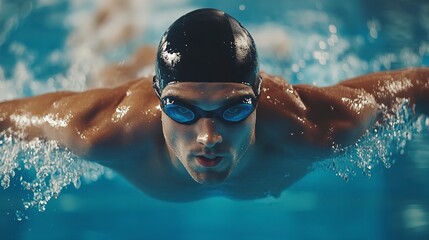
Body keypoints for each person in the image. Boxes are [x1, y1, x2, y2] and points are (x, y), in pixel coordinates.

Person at [0, 8, 428, 202]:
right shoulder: (98, 129)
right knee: (102, 70)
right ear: (158, 97)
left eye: (235, 109)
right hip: (126, 94)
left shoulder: (319, 125)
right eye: (181, 110)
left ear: (259, 96)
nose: (209, 137)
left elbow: (419, 85)